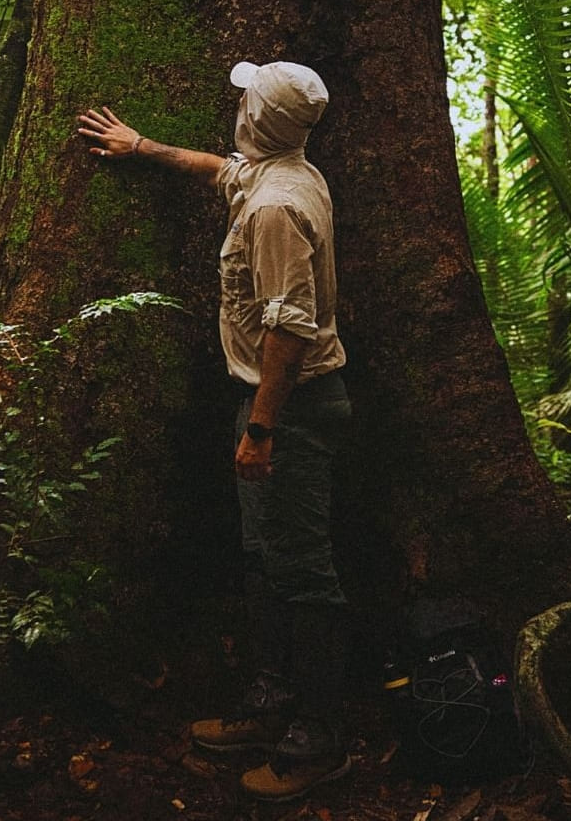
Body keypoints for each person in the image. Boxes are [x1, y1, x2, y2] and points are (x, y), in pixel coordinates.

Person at [76, 60, 351, 801]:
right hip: (267, 408)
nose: (236, 111)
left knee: (303, 571)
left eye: (245, 103)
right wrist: (142, 148)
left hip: (290, 410)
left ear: (259, 121)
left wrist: (261, 431)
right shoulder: (276, 175)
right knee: (267, 559)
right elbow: (220, 171)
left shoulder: (277, 208)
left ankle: (321, 737)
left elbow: (289, 331)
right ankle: (273, 704)